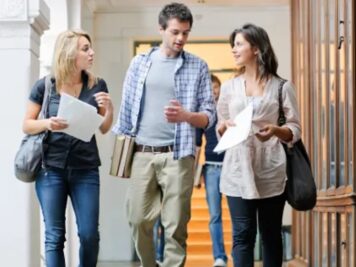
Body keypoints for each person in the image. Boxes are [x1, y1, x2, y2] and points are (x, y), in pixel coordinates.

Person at [112, 3, 215, 267]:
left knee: (176, 226)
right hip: (141, 154)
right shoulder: (140, 63)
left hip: (178, 155)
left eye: (185, 33)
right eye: (175, 32)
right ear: (161, 29)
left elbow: (208, 114)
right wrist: (120, 150)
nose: (180, 38)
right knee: (137, 218)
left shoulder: (198, 66)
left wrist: (187, 117)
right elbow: (126, 108)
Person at [22, 29, 113, 267]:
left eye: (90, 48)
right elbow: (27, 125)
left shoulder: (97, 84)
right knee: (54, 237)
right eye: (85, 49)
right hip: (50, 169)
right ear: (69, 53)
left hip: (86, 169)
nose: (91, 52)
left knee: (89, 235)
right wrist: (48, 123)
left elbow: (103, 128)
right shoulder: (45, 86)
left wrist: (109, 110)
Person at [216, 23, 301, 267]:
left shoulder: (281, 86)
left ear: (256, 48)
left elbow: (295, 128)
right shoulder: (229, 87)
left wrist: (276, 130)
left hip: (270, 168)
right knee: (242, 235)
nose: (233, 49)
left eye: (239, 44)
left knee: (270, 235)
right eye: (233, 45)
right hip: (237, 167)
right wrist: (223, 128)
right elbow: (221, 124)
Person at [195, 74, 228, 267]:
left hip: (230, 167)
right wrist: (195, 175)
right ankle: (219, 257)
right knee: (214, 215)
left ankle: (237, 254)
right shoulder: (203, 114)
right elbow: (197, 143)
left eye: (216, 87)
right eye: (210, 88)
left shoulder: (228, 110)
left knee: (236, 213)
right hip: (211, 169)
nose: (214, 91)